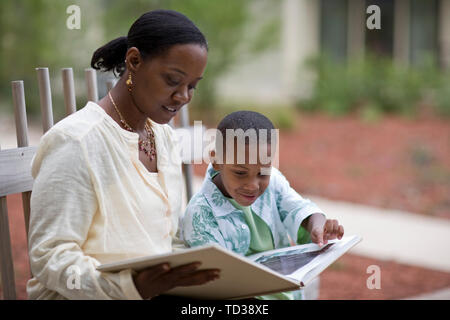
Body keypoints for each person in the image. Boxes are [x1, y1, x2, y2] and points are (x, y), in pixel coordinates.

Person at [27, 9, 220, 300]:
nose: (183, 96)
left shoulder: (163, 137)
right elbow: (50, 256)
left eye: (192, 86)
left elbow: (167, 240)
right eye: (172, 80)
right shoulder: (76, 142)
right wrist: (132, 288)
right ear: (134, 61)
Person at [182, 111, 345, 299]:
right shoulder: (200, 216)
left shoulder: (274, 182)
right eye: (240, 173)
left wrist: (317, 225)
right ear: (216, 160)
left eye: (263, 173)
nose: (253, 186)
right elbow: (218, 284)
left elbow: (298, 208)